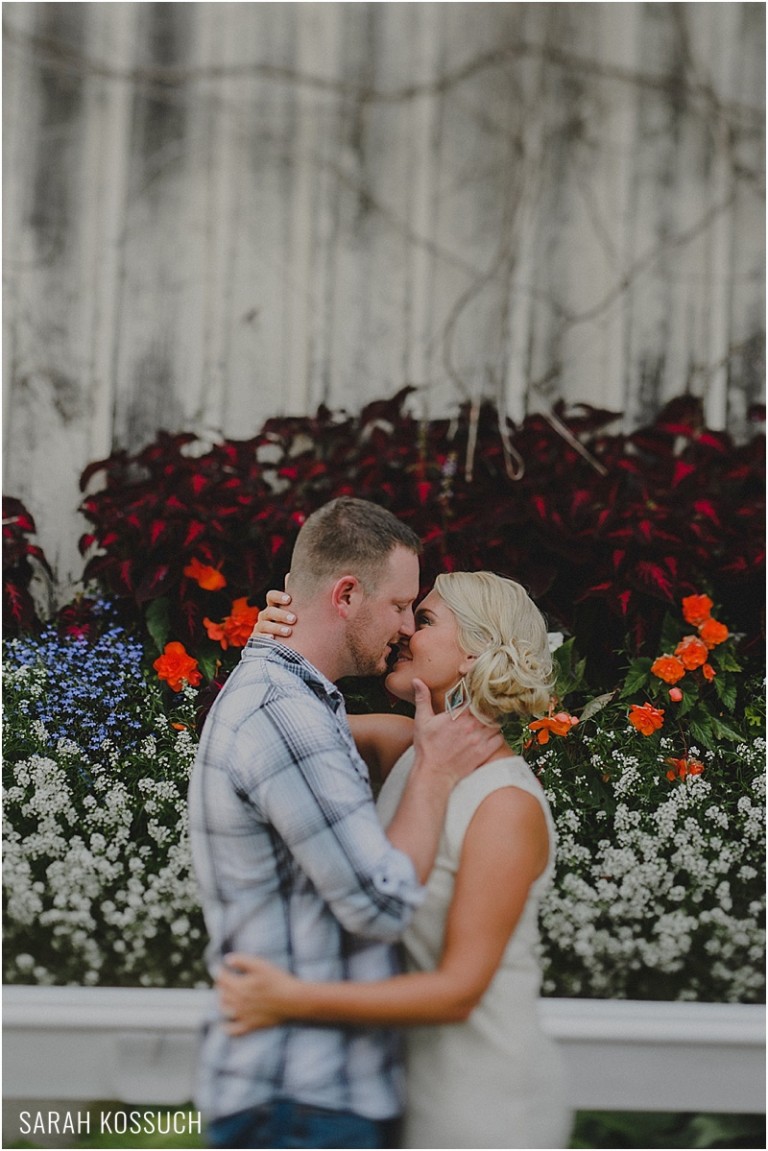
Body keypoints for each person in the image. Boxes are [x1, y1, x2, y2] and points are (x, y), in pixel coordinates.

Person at [188, 499, 505, 1150]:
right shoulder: (285, 712)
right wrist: (436, 776)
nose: (404, 629)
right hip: (299, 1097)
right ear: (347, 594)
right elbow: (379, 902)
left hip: (321, 1095)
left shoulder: (305, 703)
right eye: (398, 607)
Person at [218, 570, 574, 1150]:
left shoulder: (505, 805)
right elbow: (256, 728)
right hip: (395, 1092)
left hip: (483, 1105)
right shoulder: (405, 746)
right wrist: (277, 645)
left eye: (426, 620)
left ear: (474, 655)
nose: (404, 630)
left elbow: (458, 992)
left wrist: (290, 998)